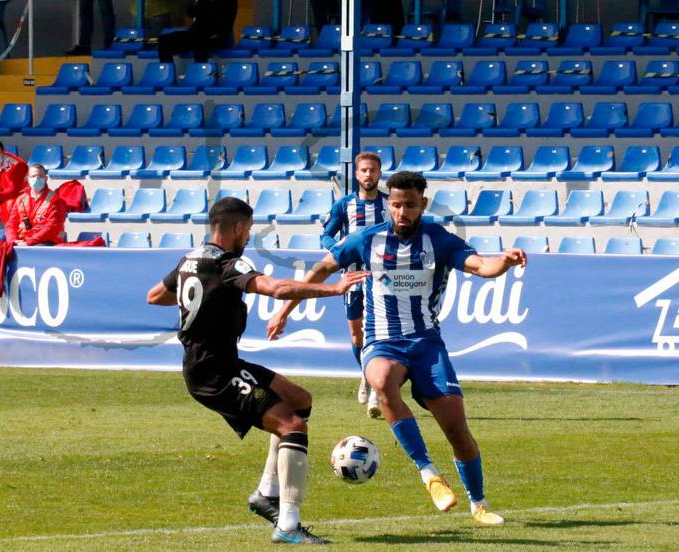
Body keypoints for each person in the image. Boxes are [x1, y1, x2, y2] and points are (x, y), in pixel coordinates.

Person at [268, 171, 528, 526]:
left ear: (422, 202)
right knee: (381, 380)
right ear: (388, 204)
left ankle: (479, 504)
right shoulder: (366, 239)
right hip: (382, 341)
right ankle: (429, 474)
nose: (402, 212)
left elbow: (482, 265)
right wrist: (284, 310)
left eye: (409, 204)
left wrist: (506, 263)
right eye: (395, 204)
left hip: (426, 343)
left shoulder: (439, 240)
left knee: (457, 430)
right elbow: (321, 269)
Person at [147, 197, 367, 545]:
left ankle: (266, 493)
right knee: (292, 426)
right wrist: (335, 288)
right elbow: (277, 288)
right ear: (236, 228)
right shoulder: (226, 264)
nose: (248, 236)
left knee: (299, 401)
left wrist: (198, 297)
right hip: (213, 372)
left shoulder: (192, 259)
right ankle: (288, 525)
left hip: (222, 363)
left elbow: (155, 295)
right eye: (248, 230)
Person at [321, 151, 388, 418]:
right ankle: (366, 374)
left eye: (373, 170)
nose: (368, 174)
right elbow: (326, 234)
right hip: (352, 277)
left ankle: (376, 388)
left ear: (379, 173)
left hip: (381, 277)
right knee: (356, 336)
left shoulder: (389, 204)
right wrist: (338, 250)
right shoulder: (344, 205)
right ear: (357, 174)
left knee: (378, 333)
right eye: (363, 170)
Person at [5, 164, 67, 246]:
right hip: (24, 240)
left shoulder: (56, 200)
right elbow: (11, 224)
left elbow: (52, 228)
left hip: (48, 241)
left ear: (46, 179)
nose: (36, 179)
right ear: (28, 179)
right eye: (33, 176)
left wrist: (29, 242)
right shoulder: (21, 199)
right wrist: (13, 240)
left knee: (32, 251)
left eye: (40, 176)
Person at [158, 0, 237, 63]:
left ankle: (201, 74)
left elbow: (226, 25)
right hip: (197, 33)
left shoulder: (229, 1)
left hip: (218, 36)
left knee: (202, 40)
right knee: (163, 40)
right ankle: (166, 72)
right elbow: (191, 12)